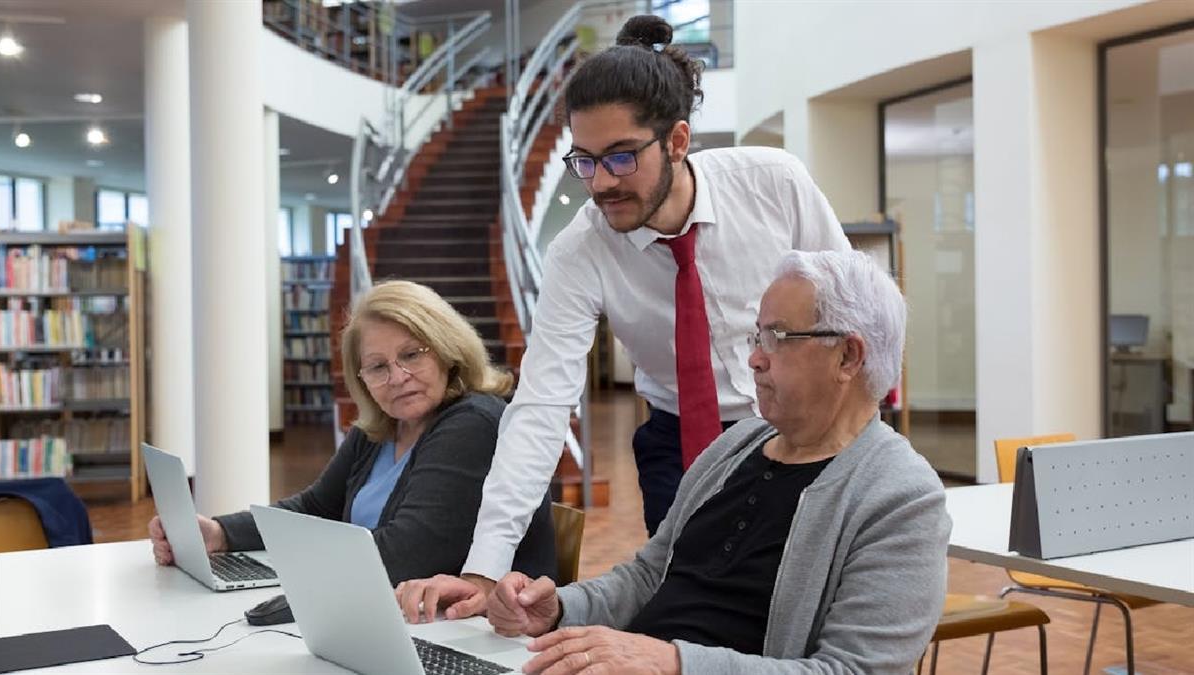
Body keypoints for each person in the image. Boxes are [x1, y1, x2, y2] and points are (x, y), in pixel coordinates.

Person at [448, 13, 850, 608]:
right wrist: (485, 566)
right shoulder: (579, 251)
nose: (600, 183)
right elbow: (541, 406)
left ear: (678, 141)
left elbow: (856, 315)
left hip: (799, 424)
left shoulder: (774, 184)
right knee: (691, 604)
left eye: (619, 157)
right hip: (677, 439)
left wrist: (866, 438)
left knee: (805, 604)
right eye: (583, 160)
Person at [429, 249, 950, 674]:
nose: (754, 357)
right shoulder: (736, 446)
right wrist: (562, 607)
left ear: (848, 357)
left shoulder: (899, 496)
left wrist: (672, 662)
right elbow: (649, 576)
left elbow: (853, 672)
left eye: (777, 337)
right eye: (757, 335)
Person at [147, 280, 556, 585]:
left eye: (412, 354)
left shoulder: (473, 422)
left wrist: (290, 572)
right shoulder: (381, 428)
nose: (398, 377)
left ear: (448, 350)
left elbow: (406, 554)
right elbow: (314, 508)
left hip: (481, 638)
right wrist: (220, 532)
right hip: (397, 616)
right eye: (378, 366)